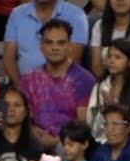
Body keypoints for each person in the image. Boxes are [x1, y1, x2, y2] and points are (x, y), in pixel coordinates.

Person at [21, 20, 94, 153]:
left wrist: (55, 141)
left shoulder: (84, 80)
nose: (55, 47)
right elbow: (24, 118)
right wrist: (36, 136)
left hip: (69, 147)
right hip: (34, 143)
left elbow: (83, 126)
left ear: (69, 46)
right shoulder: (29, 79)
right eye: (49, 42)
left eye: (61, 43)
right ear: (41, 46)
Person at [87, 39, 130, 144]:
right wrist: (105, 110)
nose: (111, 61)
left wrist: (115, 110)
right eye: (109, 56)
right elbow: (93, 129)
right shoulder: (101, 87)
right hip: (103, 144)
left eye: (117, 57)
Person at [2, 0, 89, 83]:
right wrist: (20, 87)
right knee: (11, 98)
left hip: (65, 88)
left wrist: (46, 90)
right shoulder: (17, 14)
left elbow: (73, 58)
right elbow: (8, 58)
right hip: (24, 90)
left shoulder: (76, 14)